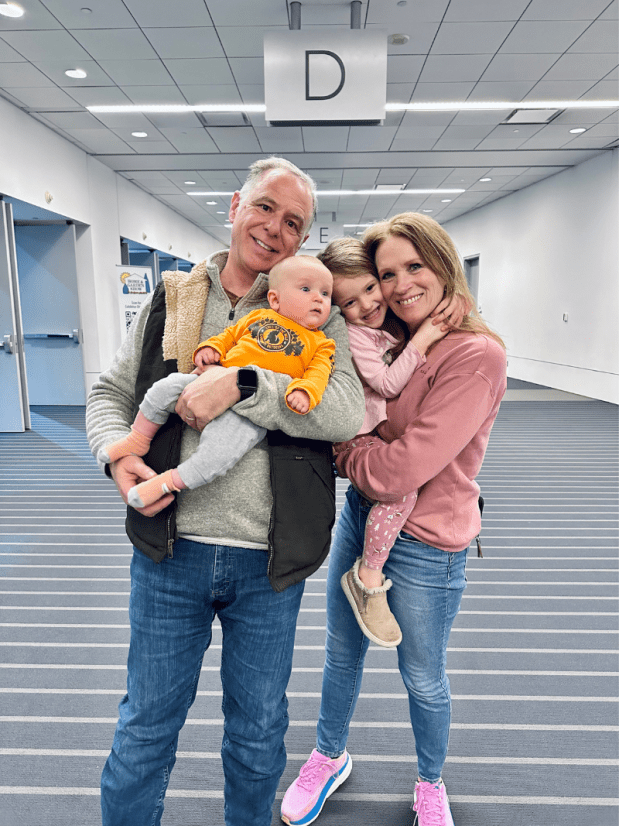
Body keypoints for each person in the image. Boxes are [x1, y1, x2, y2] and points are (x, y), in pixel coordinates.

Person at [86, 157, 367, 826]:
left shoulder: (315, 310)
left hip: (268, 563)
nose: (273, 228)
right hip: (168, 552)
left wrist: (246, 384)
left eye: (292, 223)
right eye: (265, 207)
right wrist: (112, 458)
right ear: (237, 203)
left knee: (256, 736)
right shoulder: (176, 298)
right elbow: (112, 393)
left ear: (301, 240)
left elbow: (343, 413)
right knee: (145, 731)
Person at [281, 213, 507, 826]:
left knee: (423, 676)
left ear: (444, 263)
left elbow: (401, 469)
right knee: (341, 650)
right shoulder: (389, 336)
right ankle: (329, 755)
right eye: (388, 274)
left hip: (429, 540)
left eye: (415, 266)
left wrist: (349, 452)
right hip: (361, 516)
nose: (401, 285)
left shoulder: (475, 354)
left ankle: (431, 781)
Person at [98, 255, 336, 509]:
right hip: (206, 378)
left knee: (217, 455)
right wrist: (210, 348)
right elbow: (228, 337)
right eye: (306, 289)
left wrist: (305, 391)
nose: (318, 298)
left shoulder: (322, 342)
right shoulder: (257, 317)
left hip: (249, 413)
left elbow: (319, 373)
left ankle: (167, 482)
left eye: (326, 293)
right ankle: (137, 439)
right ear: (275, 299)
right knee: (162, 389)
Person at [318, 238, 450, 648]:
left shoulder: (380, 326)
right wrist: (424, 339)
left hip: (370, 433)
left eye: (371, 287)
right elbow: (388, 384)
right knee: (401, 493)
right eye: (350, 302)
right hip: (357, 438)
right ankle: (369, 575)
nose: (368, 304)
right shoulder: (355, 336)